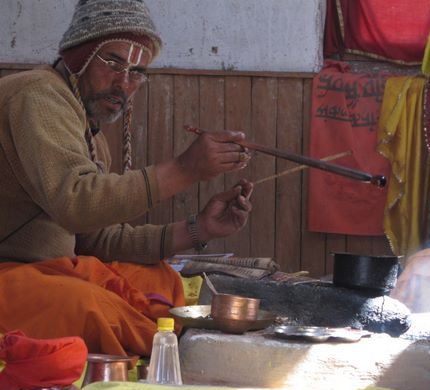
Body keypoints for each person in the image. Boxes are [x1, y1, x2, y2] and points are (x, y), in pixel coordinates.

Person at [0, 0, 254, 359]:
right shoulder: (37, 95)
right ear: (79, 57)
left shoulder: (90, 133)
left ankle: (169, 350)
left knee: (161, 281)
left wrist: (199, 229)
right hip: (11, 275)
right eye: (114, 62)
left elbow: (95, 236)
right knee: (92, 307)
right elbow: (78, 204)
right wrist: (185, 169)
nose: (124, 82)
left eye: (137, 71)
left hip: (44, 271)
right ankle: (175, 361)